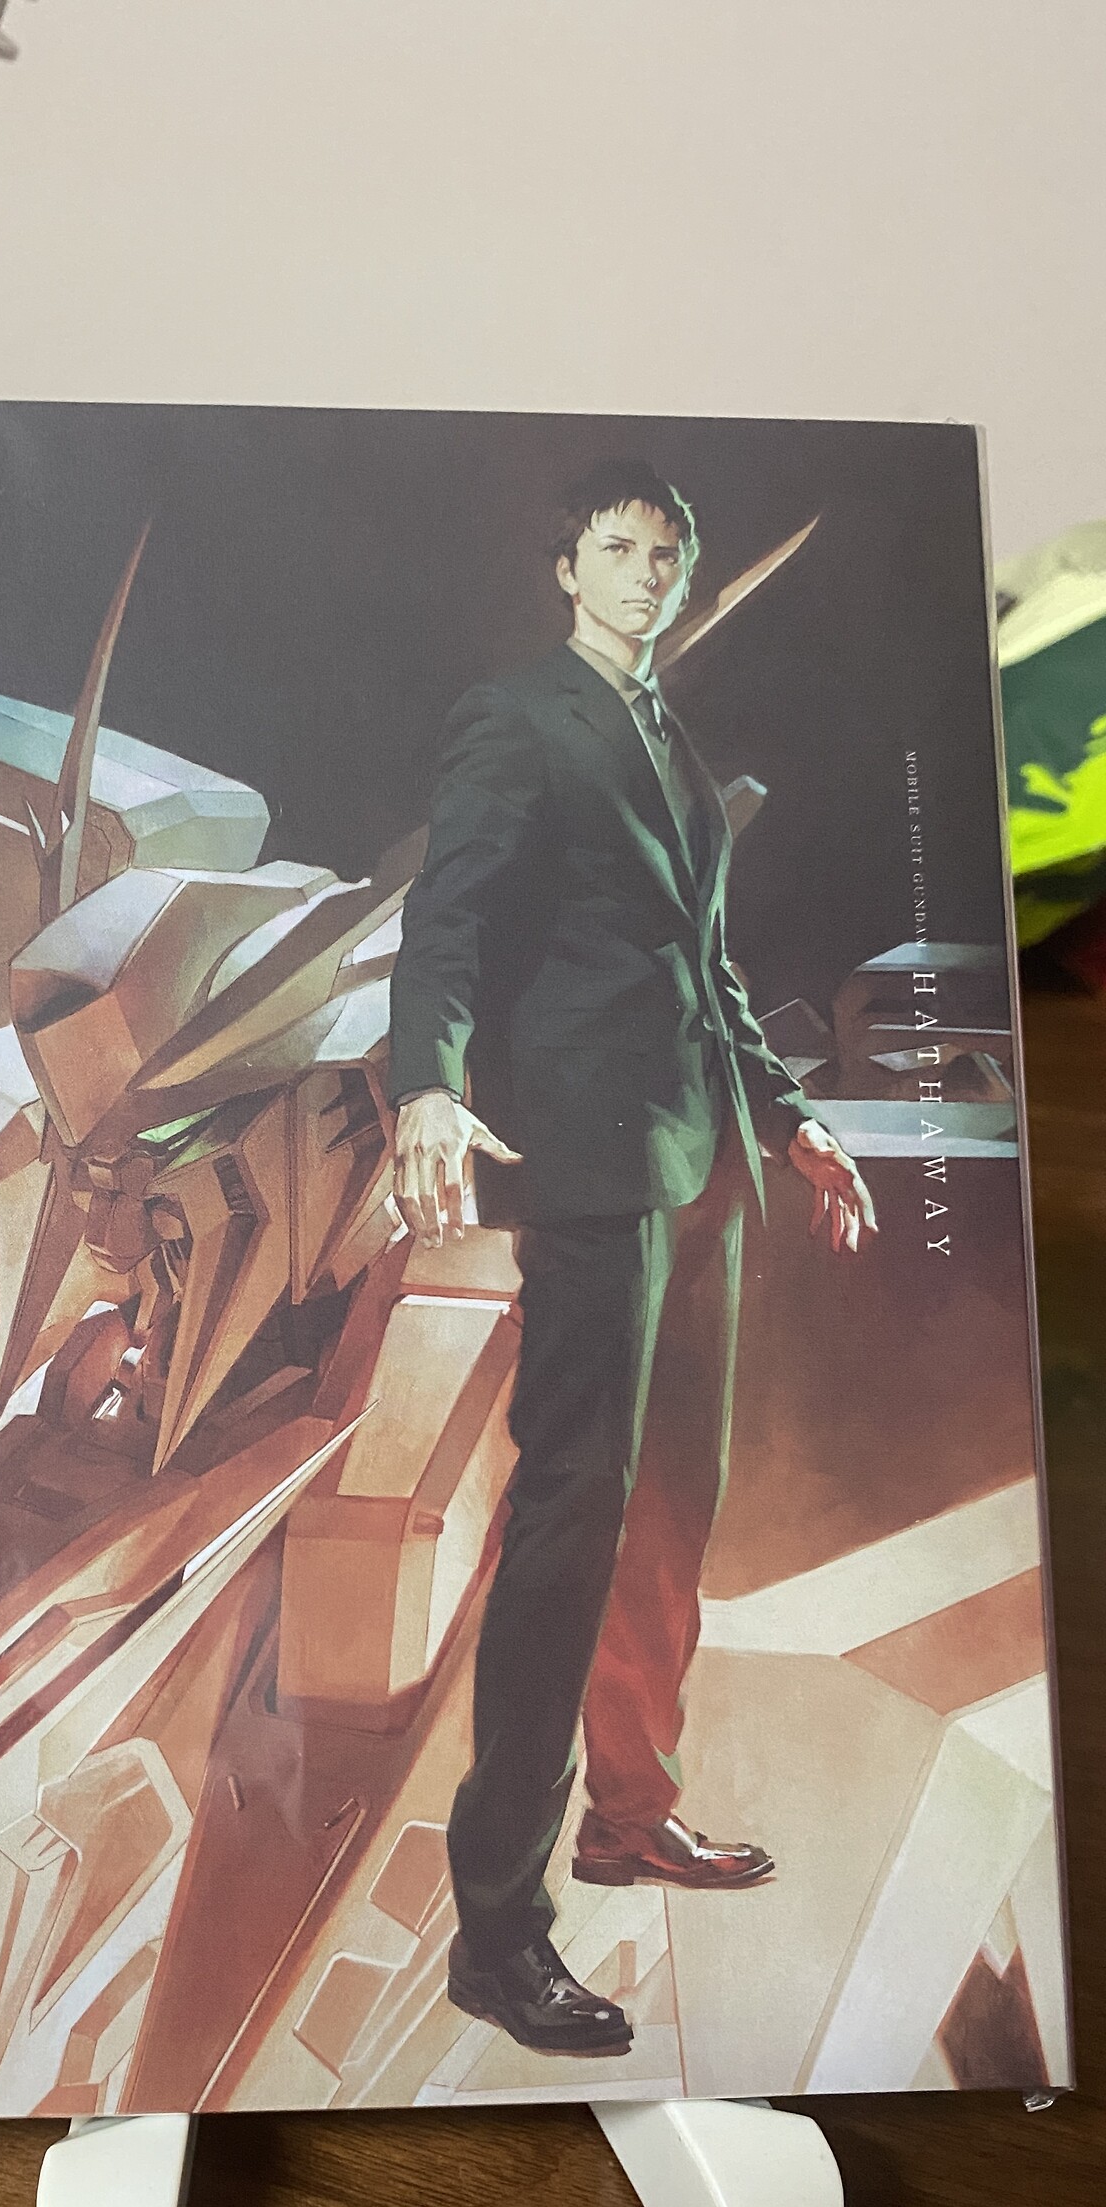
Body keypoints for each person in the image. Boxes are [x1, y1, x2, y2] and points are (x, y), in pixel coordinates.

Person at [387, 461, 876, 2060]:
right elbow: (447, 922)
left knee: (670, 1513)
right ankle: (498, 1934)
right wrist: (428, 1084)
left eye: (667, 553)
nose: (646, 572)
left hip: (700, 1168)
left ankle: (630, 1814)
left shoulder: (667, 734)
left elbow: (705, 970)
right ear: (567, 569)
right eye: (619, 548)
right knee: (570, 1528)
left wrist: (792, 1123)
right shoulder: (517, 718)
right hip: (593, 1176)